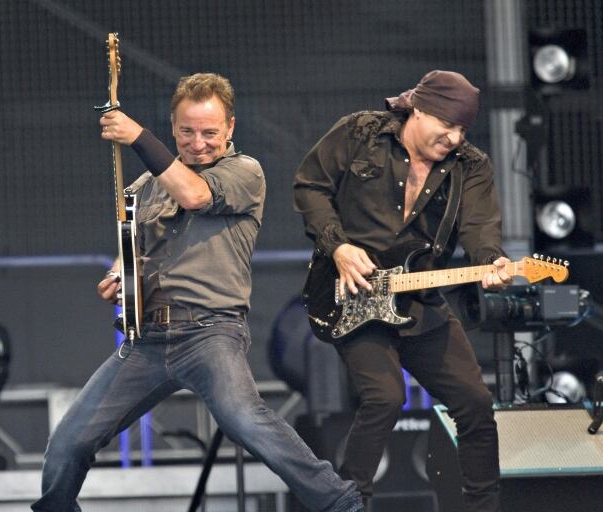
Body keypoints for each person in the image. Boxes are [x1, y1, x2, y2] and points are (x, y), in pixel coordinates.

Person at [32, 73, 363, 512]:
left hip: (211, 333)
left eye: (209, 132)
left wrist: (138, 137)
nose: (198, 142)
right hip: (147, 339)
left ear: (230, 128)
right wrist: (117, 279)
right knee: (67, 444)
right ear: (174, 127)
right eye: (187, 132)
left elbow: (193, 195)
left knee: (247, 421)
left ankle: (342, 505)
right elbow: (130, 257)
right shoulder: (142, 190)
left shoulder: (245, 173)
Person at [293, 70, 511, 511]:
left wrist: (491, 262)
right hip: (351, 293)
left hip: (420, 300)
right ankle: (349, 503)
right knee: (385, 397)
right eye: (446, 125)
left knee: (474, 402)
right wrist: (338, 246)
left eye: (463, 129)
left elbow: (480, 229)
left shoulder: (471, 166)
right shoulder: (360, 132)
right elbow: (310, 187)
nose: (453, 137)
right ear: (419, 108)